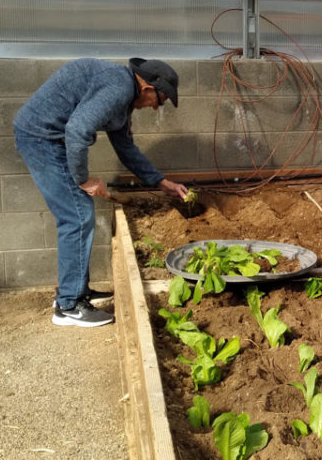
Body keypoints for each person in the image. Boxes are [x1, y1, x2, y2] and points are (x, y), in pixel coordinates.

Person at [13, 57, 190, 327]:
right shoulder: (118, 87)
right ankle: (68, 306)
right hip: (41, 139)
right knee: (77, 216)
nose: (157, 108)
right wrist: (83, 179)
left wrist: (161, 182)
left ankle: (76, 291)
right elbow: (77, 129)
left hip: (49, 139)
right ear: (147, 88)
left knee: (78, 214)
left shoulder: (123, 97)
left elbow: (126, 147)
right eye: (161, 99)